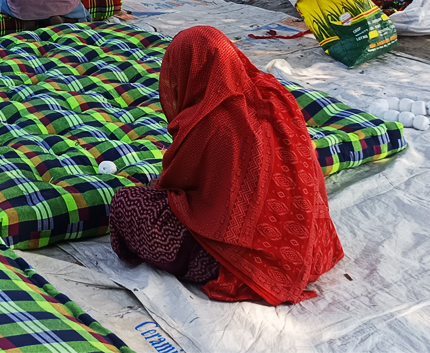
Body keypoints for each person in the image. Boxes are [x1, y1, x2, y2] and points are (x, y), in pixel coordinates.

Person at [108, 26, 343, 305]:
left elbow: (176, 184)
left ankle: (225, 265)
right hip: (308, 246)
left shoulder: (210, 119)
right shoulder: (275, 93)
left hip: (242, 261)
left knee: (126, 202)